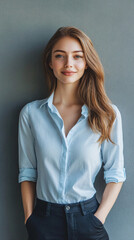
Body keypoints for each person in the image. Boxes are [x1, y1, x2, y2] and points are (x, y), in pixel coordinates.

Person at [18, 26, 126, 240]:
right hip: (43, 222)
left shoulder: (107, 114)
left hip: (88, 220)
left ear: (86, 63)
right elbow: (27, 172)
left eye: (77, 56)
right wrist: (29, 219)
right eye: (60, 56)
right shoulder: (31, 114)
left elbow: (116, 174)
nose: (69, 64)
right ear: (50, 62)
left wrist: (98, 219)